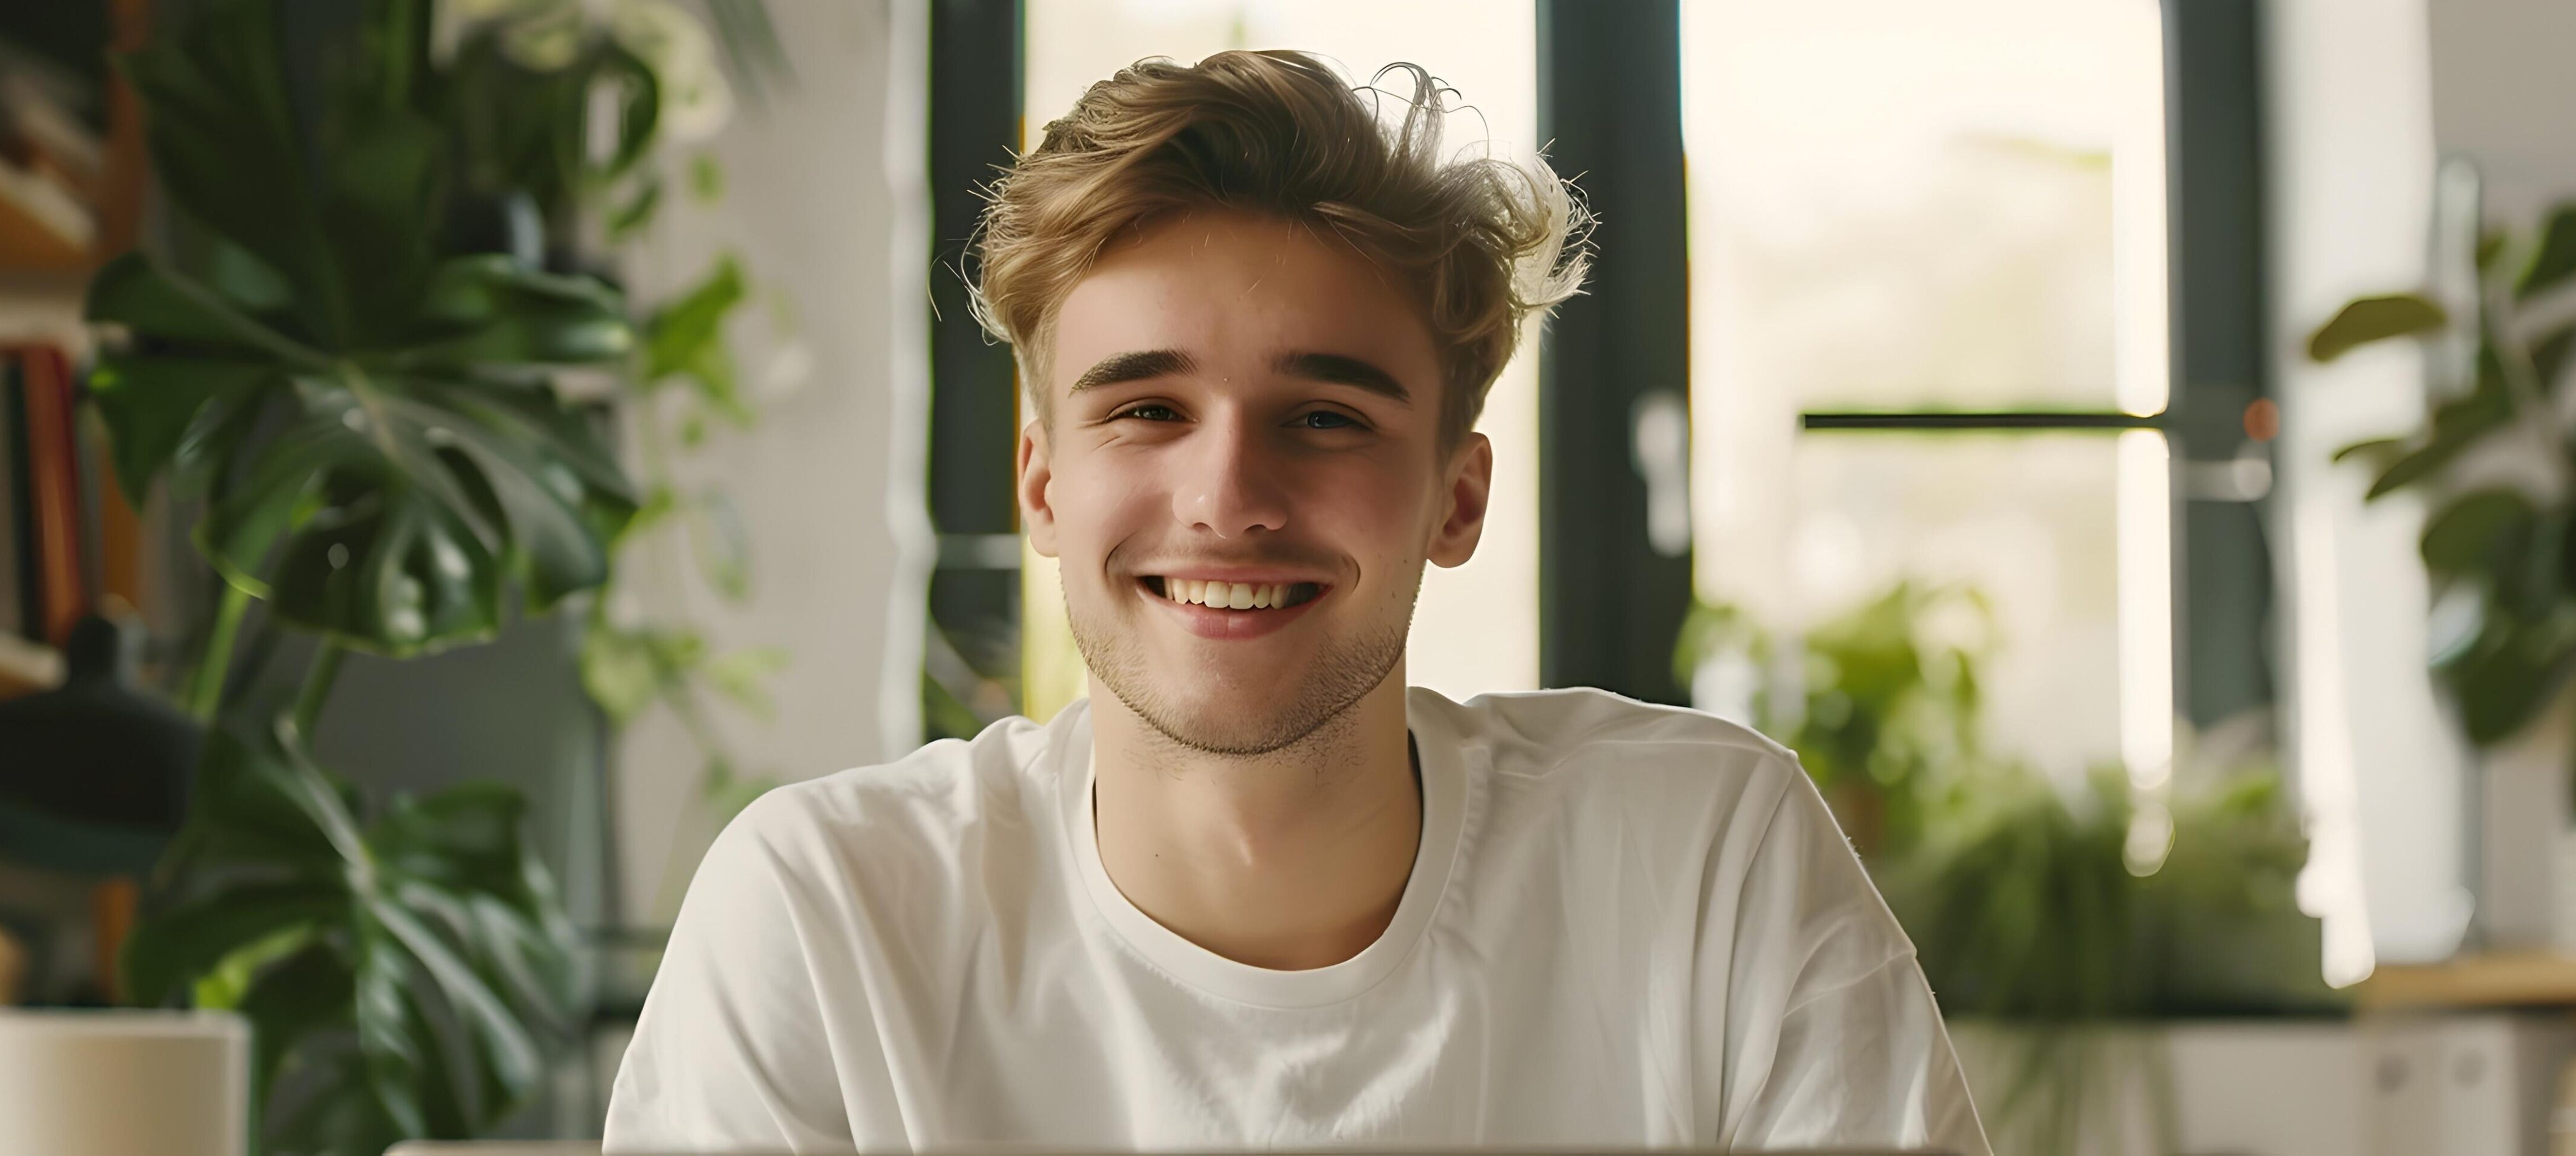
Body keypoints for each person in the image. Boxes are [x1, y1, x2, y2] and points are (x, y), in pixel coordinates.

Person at [605, 49, 1987, 1154]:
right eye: (1146, 406)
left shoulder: (1706, 863)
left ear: (1456, 496)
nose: (1228, 492)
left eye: (1323, 417)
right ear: (1040, 486)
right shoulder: (823, 914)